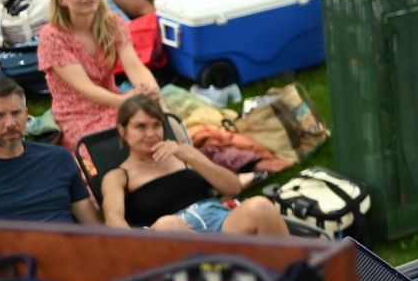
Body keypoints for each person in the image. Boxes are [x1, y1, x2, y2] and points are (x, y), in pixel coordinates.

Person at [100, 94, 286, 236]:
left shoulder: (183, 155)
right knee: (168, 225)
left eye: (157, 125)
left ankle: (294, 275)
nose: (151, 134)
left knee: (261, 206)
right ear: (123, 131)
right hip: (172, 236)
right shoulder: (119, 175)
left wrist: (190, 156)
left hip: (218, 220)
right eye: (141, 127)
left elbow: (234, 187)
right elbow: (113, 218)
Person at [41, 0, 160, 151]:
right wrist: (127, 102)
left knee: (160, 119)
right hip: (78, 115)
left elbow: (135, 66)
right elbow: (86, 89)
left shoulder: (112, 22)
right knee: (127, 143)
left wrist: (151, 91)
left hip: (115, 101)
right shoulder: (52, 36)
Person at [0, 77, 98, 224]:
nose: (10, 123)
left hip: (64, 244)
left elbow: (93, 228)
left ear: (26, 114)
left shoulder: (59, 159)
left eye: (16, 113)